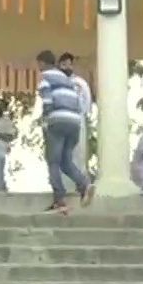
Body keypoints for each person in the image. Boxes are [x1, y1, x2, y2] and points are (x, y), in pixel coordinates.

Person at [36, 50, 93, 213]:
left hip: (58, 122)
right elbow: (79, 102)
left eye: (38, 64)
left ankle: (59, 199)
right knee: (66, 161)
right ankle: (84, 184)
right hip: (74, 123)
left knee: (53, 161)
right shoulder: (68, 80)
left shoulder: (46, 77)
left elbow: (47, 101)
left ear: (42, 63)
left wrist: (46, 121)